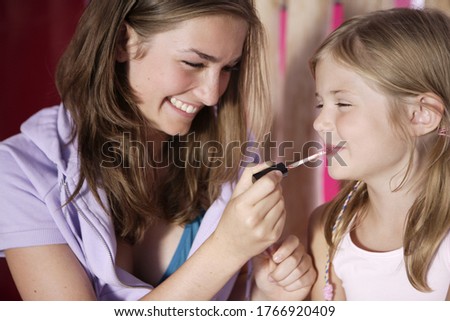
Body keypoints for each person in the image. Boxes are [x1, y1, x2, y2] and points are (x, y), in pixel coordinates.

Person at [0, 0, 316, 300]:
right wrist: (226, 250)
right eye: (194, 62)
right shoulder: (20, 171)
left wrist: (266, 295)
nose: (211, 95)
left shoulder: (236, 156)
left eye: (228, 68)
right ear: (124, 42)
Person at [308, 7, 450, 300]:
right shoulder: (329, 228)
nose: (319, 122)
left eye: (343, 104)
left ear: (420, 115)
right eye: (321, 104)